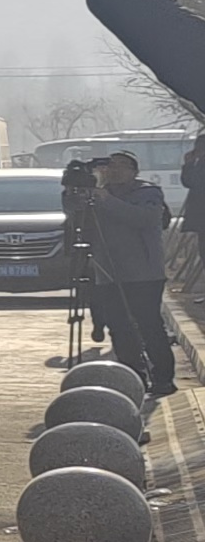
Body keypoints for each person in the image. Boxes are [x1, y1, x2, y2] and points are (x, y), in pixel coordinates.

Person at [84, 151, 179, 398]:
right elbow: (77, 223)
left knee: (149, 326)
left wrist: (106, 200)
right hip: (108, 272)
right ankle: (133, 378)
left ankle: (163, 379)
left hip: (143, 274)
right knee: (119, 327)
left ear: (135, 172)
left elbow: (143, 219)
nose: (115, 170)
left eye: (122, 166)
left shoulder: (148, 193)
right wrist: (76, 193)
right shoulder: (97, 195)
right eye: (111, 165)